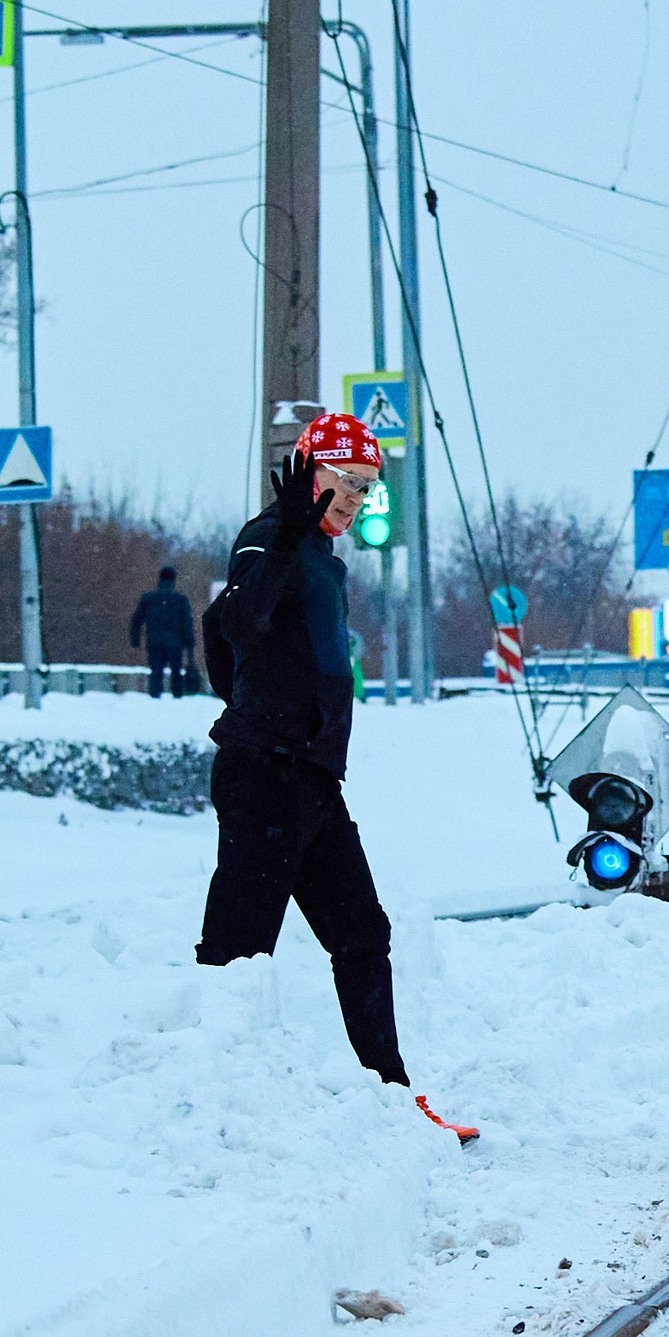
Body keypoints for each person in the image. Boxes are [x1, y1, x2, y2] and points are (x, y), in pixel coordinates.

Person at [195, 412, 469, 1139]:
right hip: (264, 777)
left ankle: (392, 1098)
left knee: (362, 932)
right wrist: (256, 717)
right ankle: (214, 1113)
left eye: (367, 488)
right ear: (309, 471)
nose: (354, 499)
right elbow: (236, 623)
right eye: (344, 482)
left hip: (311, 781)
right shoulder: (268, 537)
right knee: (239, 949)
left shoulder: (321, 554)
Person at [130, 567, 196, 698]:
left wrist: (135, 640)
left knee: (156, 672)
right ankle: (177, 696)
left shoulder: (149, 599)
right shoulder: (180, 600)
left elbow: (136, 620)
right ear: (174, 580)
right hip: (175, 644)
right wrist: (189, 645)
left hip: (154, 642)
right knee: (176, 672)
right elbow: (187, 623)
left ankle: (155, 697)